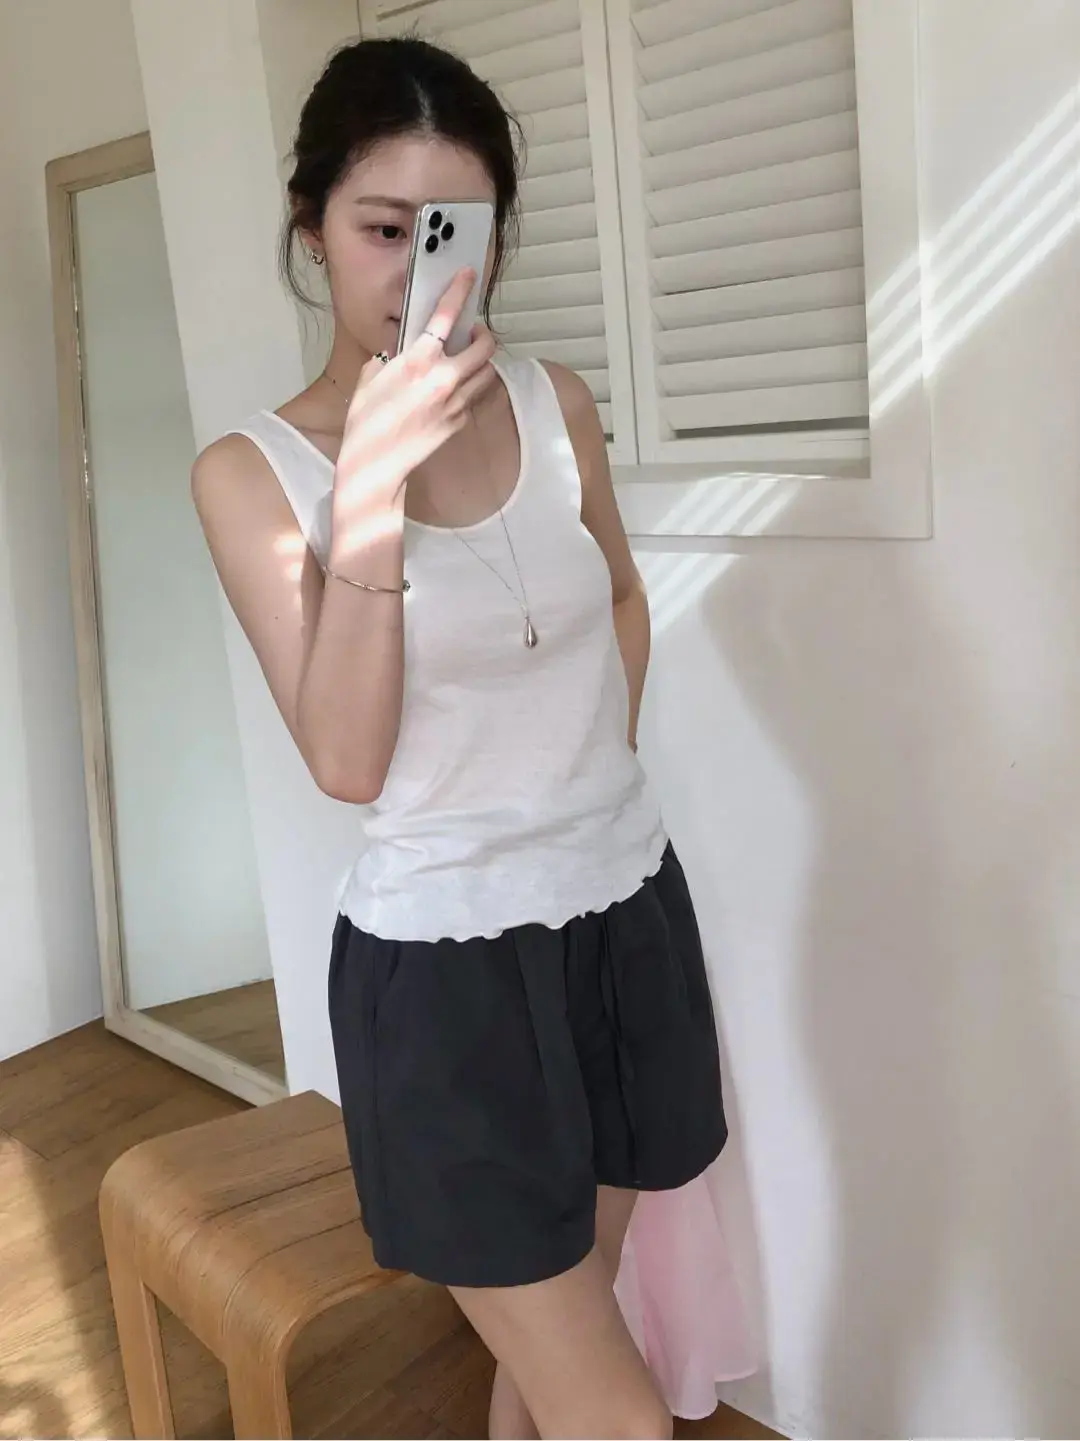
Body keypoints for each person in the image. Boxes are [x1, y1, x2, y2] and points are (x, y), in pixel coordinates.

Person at [192, 34, 728, 1441]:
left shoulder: (558, 408)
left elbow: (620, 598)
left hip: (624, 913)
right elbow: (347, 762)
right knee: (618, 1415)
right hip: (450, 976)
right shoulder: (256, 476)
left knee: (567, 1342)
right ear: (311, 228)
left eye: (457, 232)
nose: (422, 272)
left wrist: (578, 781)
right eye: (385, 229)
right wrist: (369, 492)